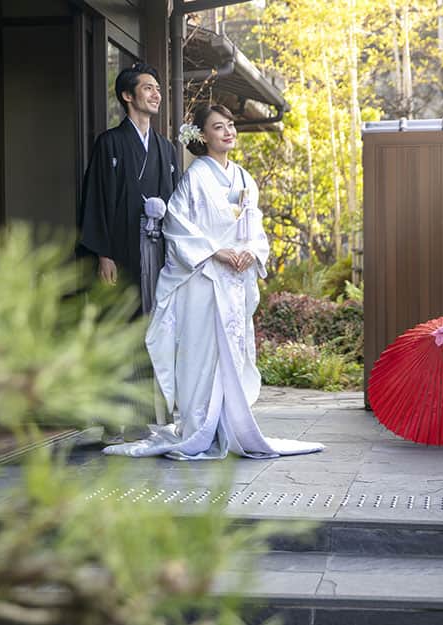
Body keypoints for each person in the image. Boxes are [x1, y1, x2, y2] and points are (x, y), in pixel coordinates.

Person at [103, 105, 324, 460]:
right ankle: (200, 425)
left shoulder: (244, 178)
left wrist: (251, 251)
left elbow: (255, 226)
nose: (228, 132)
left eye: (230, 126)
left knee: (232, 354)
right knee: (204, 352)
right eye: (218, 127)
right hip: (204, 276)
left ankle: (231, 425)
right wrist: (216, 251)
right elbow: (176, 224)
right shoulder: (195, 177)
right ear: (203, 137)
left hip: (235, 279)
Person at [79, 62, 179, 433]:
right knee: (122, 326)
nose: (156, 94)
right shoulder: (110, 144)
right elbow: (97, 201)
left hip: (160, 251)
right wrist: (103, 252)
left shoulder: (167, 149)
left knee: (158, 325)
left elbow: (178, 205)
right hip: (122, 249)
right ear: (127, 96)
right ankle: (115, 416)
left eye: (157, 88)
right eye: (148, 88)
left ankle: (157, 411)